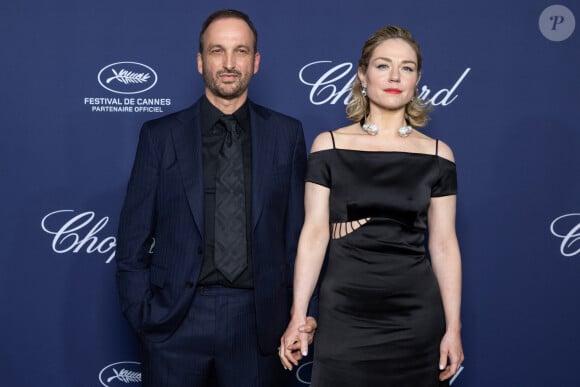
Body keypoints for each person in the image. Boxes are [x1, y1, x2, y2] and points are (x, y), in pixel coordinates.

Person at [116, 9, 316, 387]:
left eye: (240, 51)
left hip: (258, 324)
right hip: (175, 322)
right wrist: (143, 315)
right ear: (199, 61)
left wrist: (303, 313)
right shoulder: (160, 136)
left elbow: (299, 236)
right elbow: (132, 240)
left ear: (255, 62)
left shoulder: (286, 135)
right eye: (216, 51)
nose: (228, 63)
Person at [279, 25, 464, 386]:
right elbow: (315, 233)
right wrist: (298, 314)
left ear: (417, 79)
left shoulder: (438, 154)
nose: (395, 76)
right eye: (383, 65)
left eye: (407, 67)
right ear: (362, 74)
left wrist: (453, 327)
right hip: (345, 312)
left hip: (415, 315)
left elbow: (444, 244)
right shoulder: (328, 146)